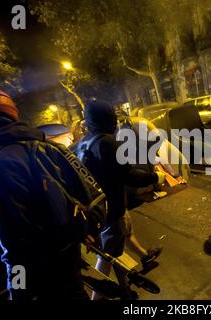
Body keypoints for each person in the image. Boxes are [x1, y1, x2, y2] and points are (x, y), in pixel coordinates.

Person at [0, 87, 97, 300]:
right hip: (70, 261)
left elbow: (14, 247)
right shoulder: (48, 147)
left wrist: (17, 290)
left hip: (45, 281)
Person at [75, 100, 165, 299]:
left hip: (94, 210)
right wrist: (155, 177)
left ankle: (126, 284)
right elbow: (128, 175)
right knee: (107, 256)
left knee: (117, 243)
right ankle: (97, 297)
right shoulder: (107, 142)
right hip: (110, 209)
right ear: (108, 119)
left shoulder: (81, 144)